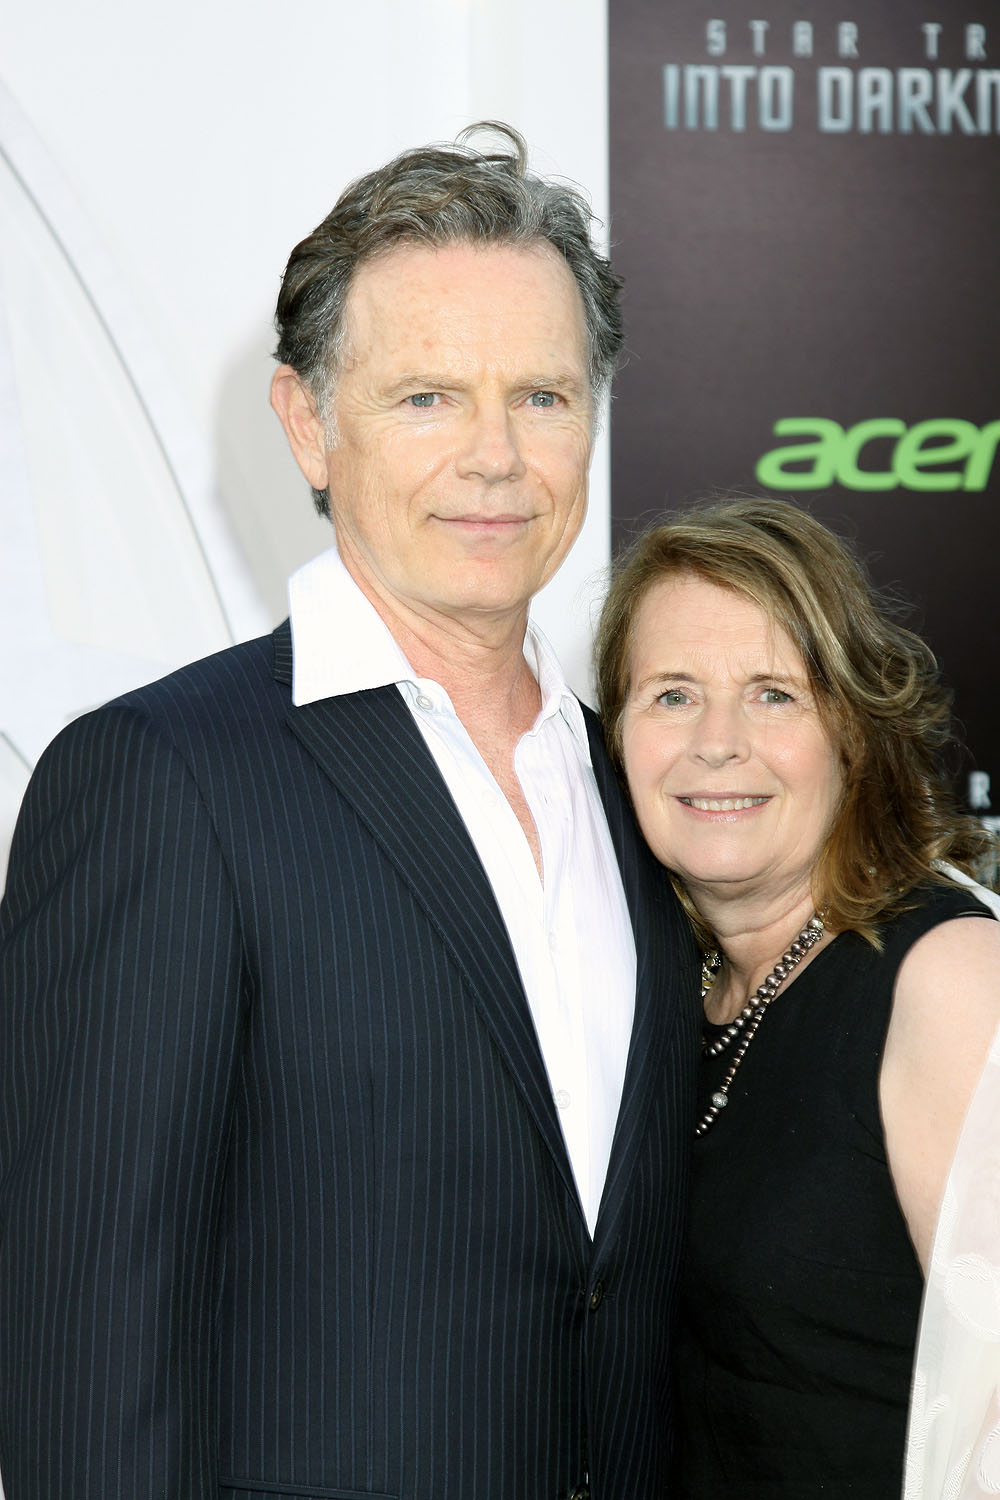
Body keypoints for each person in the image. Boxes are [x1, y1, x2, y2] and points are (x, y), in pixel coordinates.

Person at [0, 125, 699, 1499]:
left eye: (543, 397)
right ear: (307, 422)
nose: (497, 458)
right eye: (428, 398)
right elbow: (83, 1350)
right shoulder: (161, 781)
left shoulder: (642, 794)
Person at [595, 496, 1000, 1498]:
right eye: (672, 694)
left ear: (852, 731)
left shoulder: (948, 980)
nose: (718, 742)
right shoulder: (660, 991)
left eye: (774, 694)